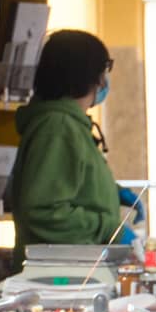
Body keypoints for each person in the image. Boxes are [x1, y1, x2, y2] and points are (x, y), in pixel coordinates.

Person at [11, 30, 138, 265]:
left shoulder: (68, 124)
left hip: (75, 267)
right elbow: (44, 210)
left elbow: (68, 181)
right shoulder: (57, 127)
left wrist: (109, 192)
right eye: (104, 69)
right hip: (58, 271)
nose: (104, 80)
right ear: (89, 75)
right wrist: (110, 228)